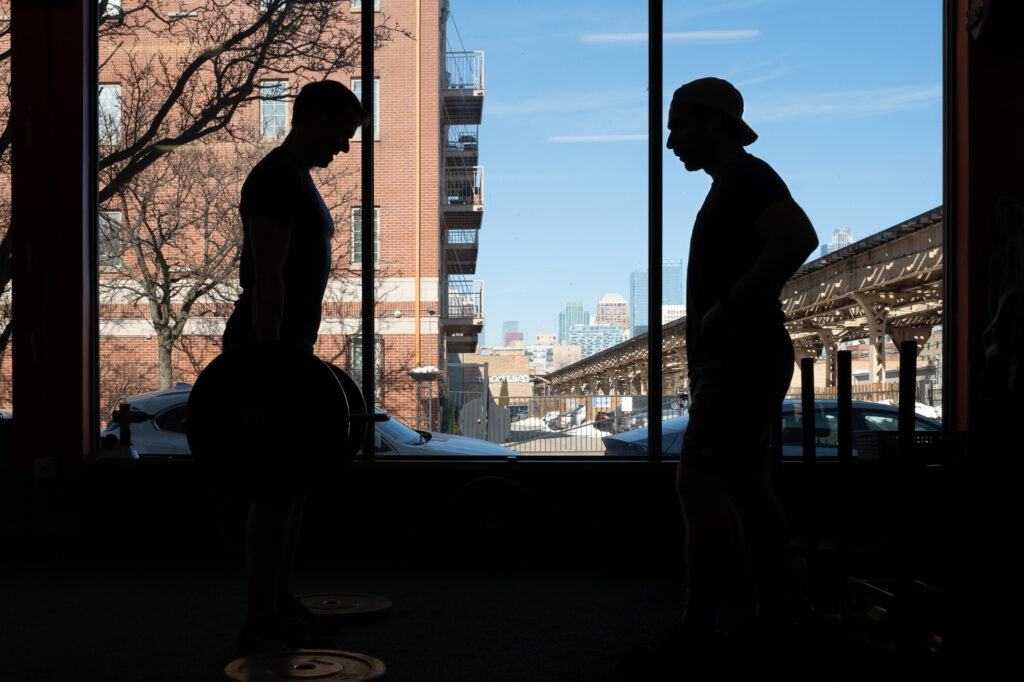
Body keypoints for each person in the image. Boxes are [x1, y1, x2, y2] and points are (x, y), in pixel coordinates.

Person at [639, 77, 819, 667]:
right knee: (746, 486)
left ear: (714, 122)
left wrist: (731, 304)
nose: (671, 141)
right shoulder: (733, 185)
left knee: (698, 486)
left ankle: (700, 626)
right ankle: (772, 616)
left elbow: (799, 237)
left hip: (742, 358)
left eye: (680, 125)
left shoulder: (747, 179)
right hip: (743, 358)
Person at [221, 80, 368, 655]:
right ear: (313, 118)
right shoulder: (276, 177)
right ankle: (259, 620)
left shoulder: (297, 179)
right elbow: (269, 277)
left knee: (294, 484)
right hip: (269, 351)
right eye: (342, 132)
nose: (345, 147)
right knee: (273, 487)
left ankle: (279, 603)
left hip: (287, 350)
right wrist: (270, 361)